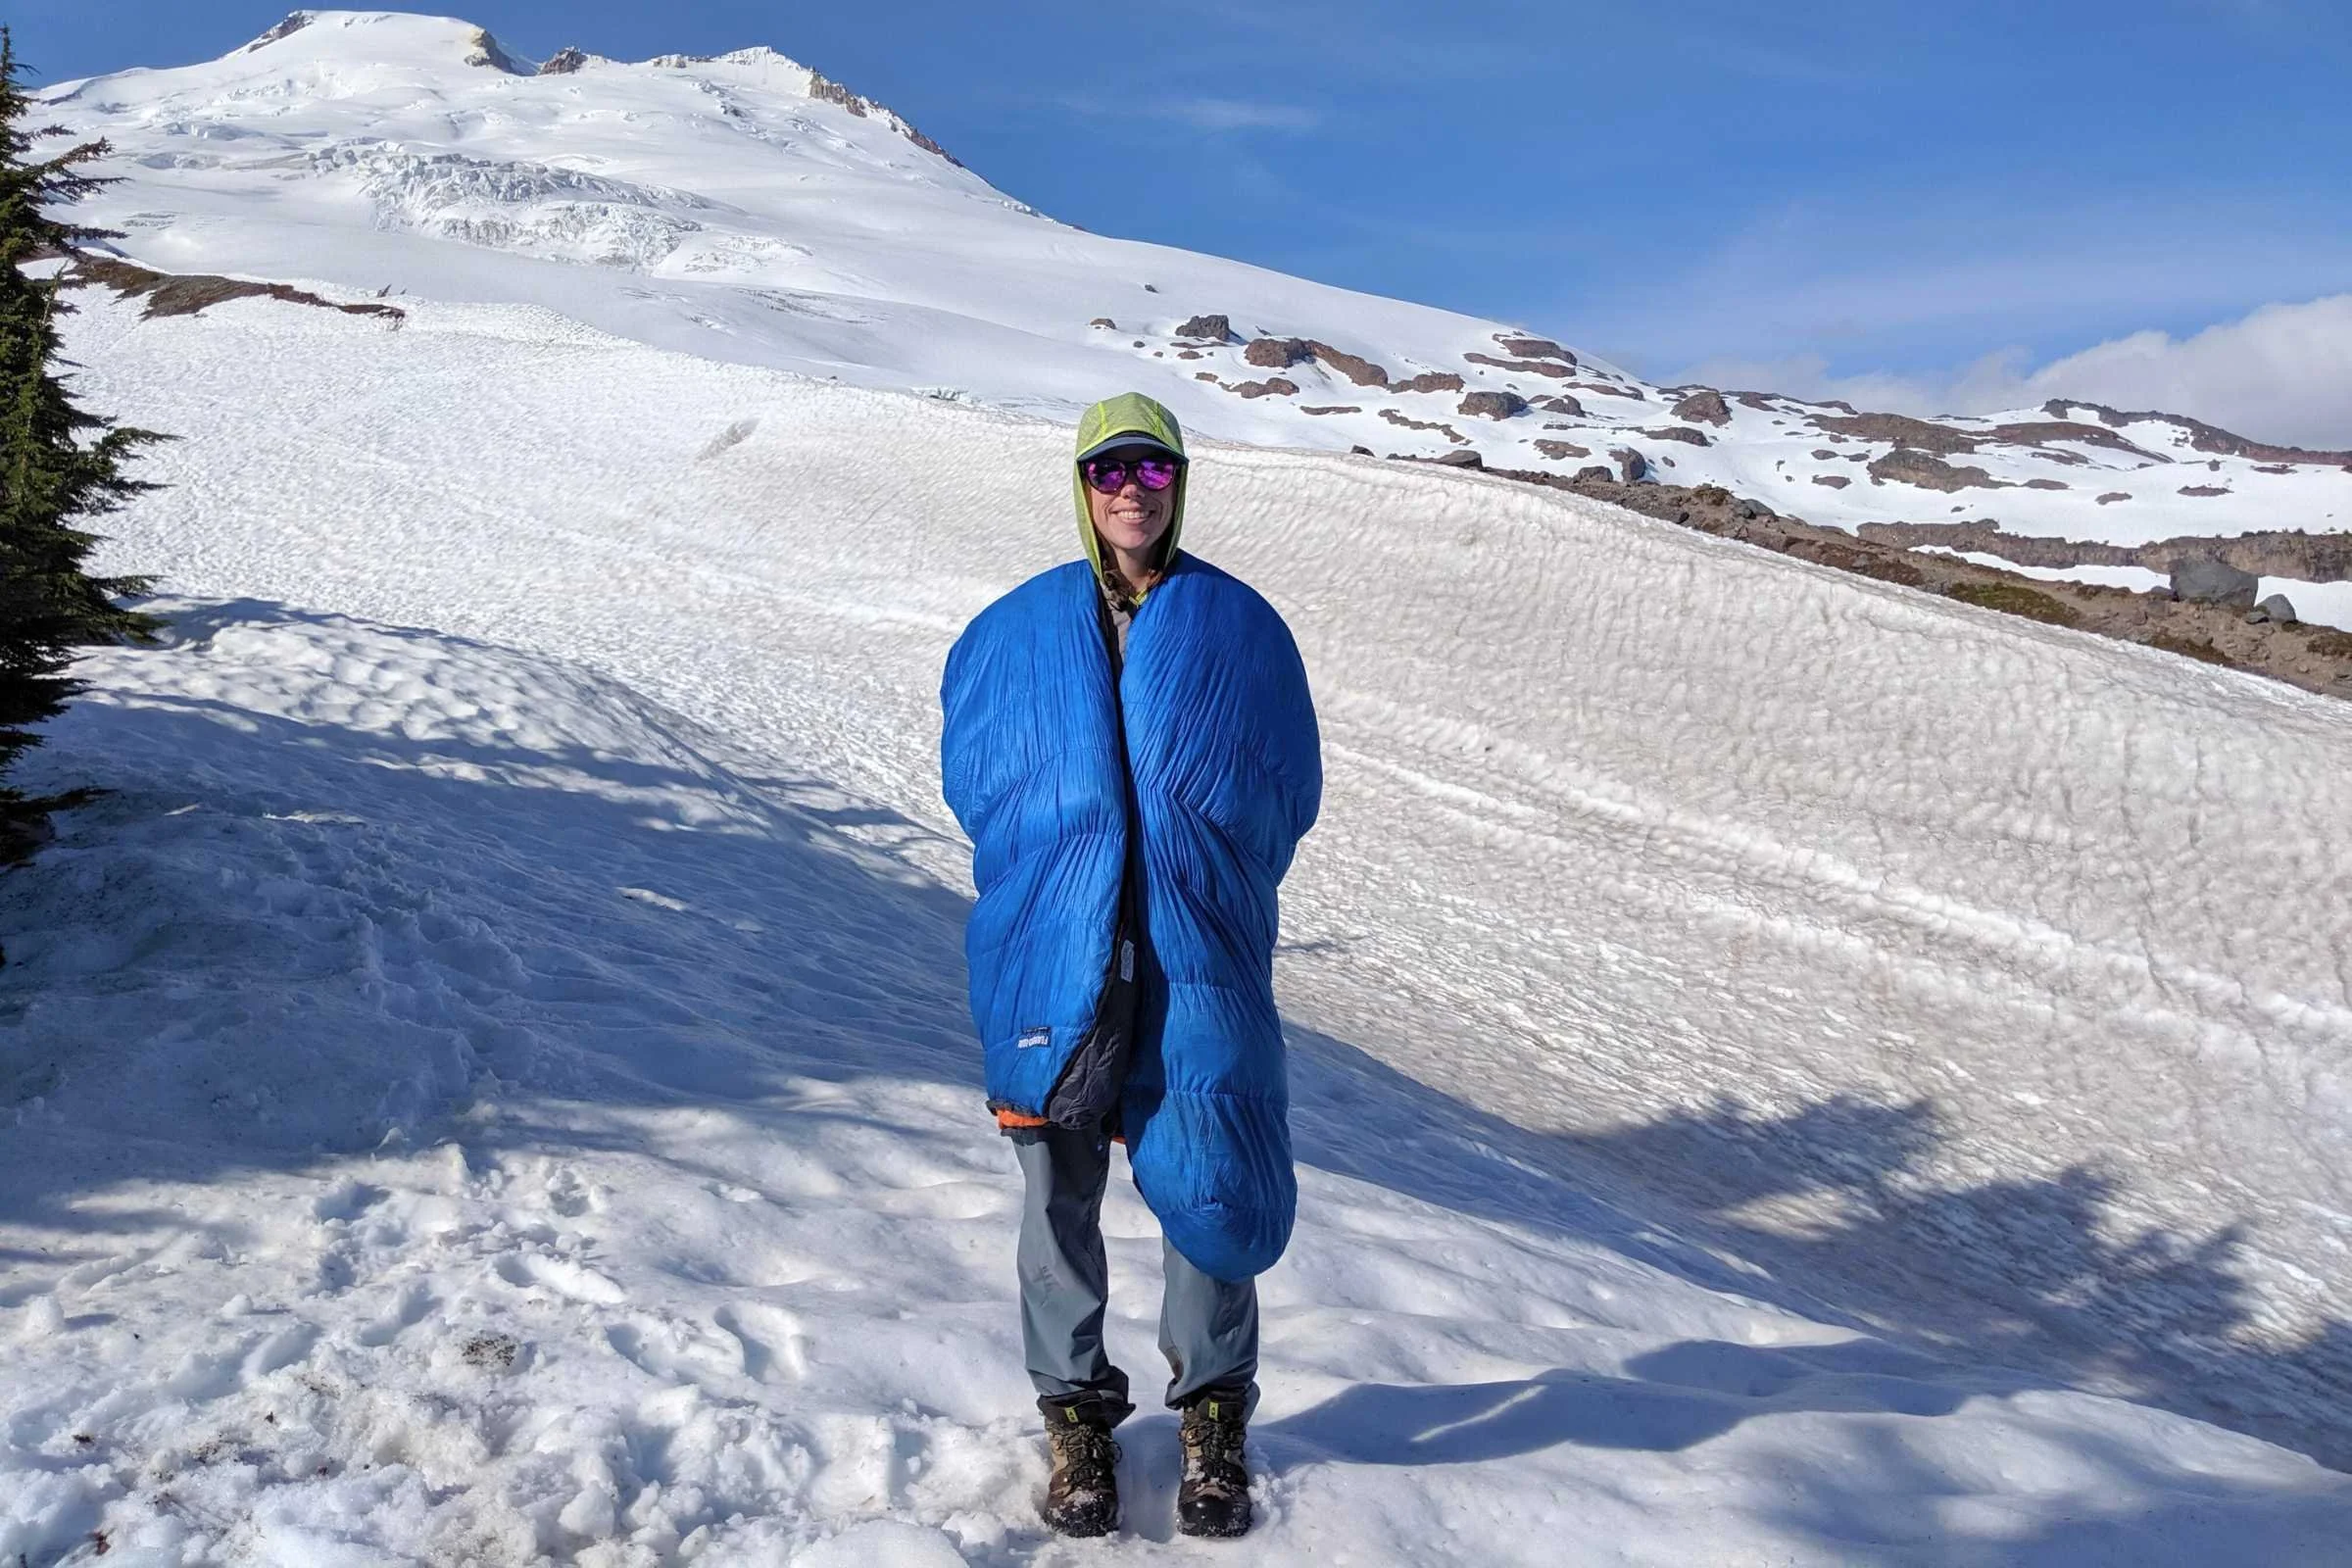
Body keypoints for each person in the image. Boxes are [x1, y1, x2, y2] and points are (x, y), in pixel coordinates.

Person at [939, 392, 1322, 1539]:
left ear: (1181, 483)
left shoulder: (1237, 627)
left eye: (1153, 471)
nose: (1131, 490)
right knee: (1057, 1190)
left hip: (1193, 944)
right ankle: (1076, 1420)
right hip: (1056, 940)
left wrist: (1208, 868)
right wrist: (1059, 857)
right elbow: (983, 778)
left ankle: (1213, 1416)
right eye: (1110, 470)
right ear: (1080, 483)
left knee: (1205, 1165)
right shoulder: (1019, 627)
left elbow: (1284, 787)